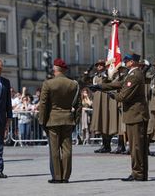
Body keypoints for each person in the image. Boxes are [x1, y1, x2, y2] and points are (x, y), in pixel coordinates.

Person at [94, 53, 149, 181]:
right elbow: (119, 84)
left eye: (128, 60)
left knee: (136, 147)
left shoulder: (135, 75)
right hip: (134, 115)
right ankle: (139, 173)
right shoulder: (132, 74)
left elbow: (124, 95)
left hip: (136, 115)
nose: (126, 62)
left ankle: (138, 173)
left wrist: (113, 96)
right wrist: (101, 87)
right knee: (137, 146)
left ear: (133, 62)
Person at [39, 58, 81, 184]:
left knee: (54, 149)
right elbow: (79, 105)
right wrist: (76, 120)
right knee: (67, 149)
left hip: (53, 120)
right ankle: (66, 176)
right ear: (64, 70)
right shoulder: (73, 84)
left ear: (55, 69)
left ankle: (57, 176)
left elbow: (43, 104)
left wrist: (42, 121)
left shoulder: (48, 84)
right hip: (68, 119)